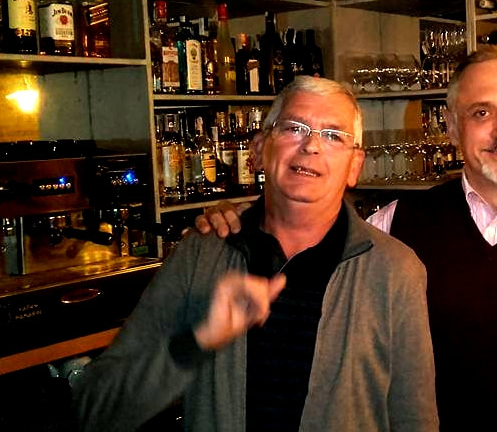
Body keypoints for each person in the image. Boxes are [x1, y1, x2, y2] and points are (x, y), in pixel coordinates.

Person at [197, 46, 497, 431]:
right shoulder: (393, 226)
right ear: (450, 127)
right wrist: (241, 219)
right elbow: (299, 249)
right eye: (481, 113)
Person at [73, 76, 439, 432]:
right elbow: (95, 410)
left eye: (333, 135)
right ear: (259, 149)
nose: (311, 146)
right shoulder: (203, 254)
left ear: (354, 166)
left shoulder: (394, 270)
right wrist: (196, 341)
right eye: (294, 128)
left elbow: (415, 419)